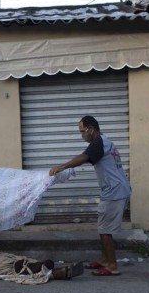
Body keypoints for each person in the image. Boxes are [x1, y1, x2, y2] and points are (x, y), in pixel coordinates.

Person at [49, 115, 131, 277]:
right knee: (102, 227)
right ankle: (104, 259)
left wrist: (63, 166)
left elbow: (83, 157)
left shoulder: (99, 142)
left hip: (115, 192)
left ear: (91, 128)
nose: (82, 135)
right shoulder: (104, 142)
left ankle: (112, 265)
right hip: (113, 190)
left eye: (82, 131)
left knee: (105, 230)